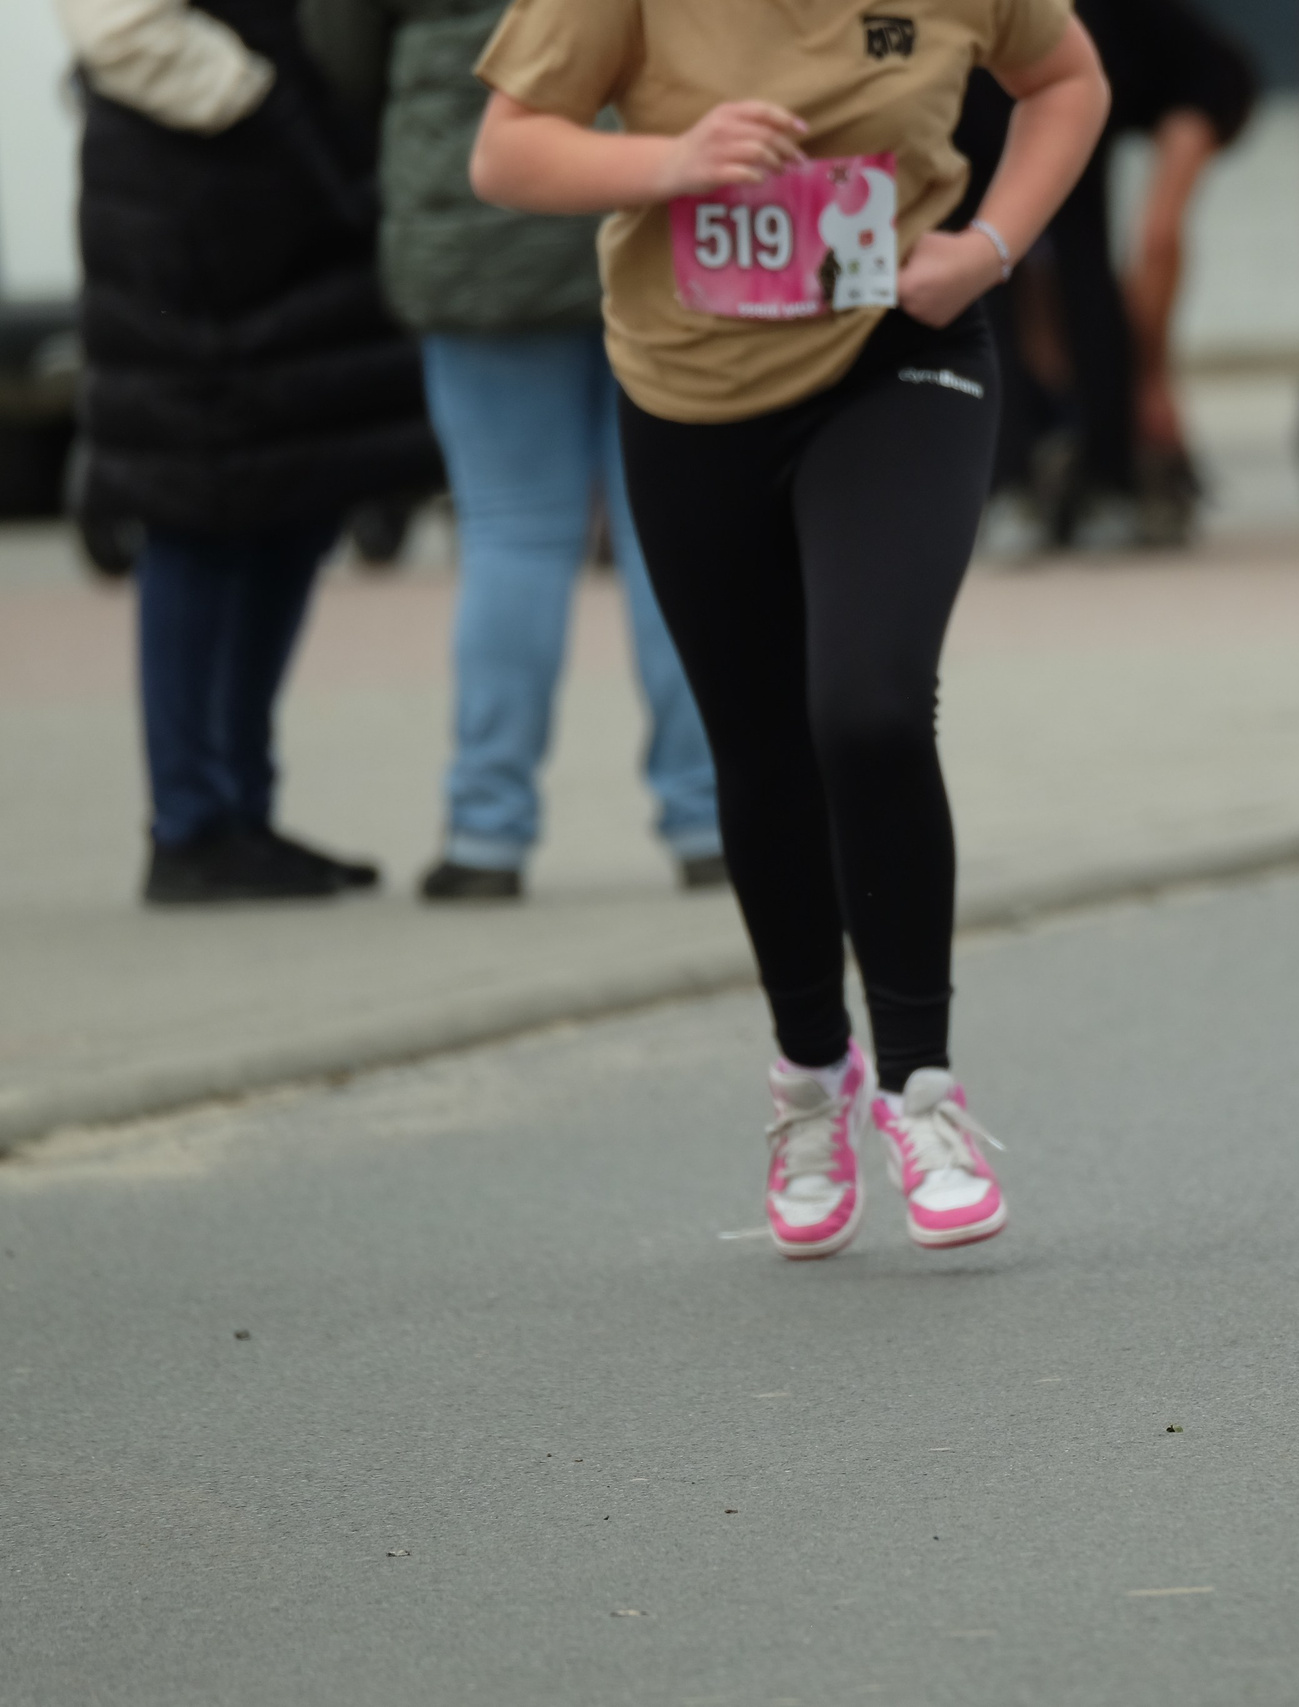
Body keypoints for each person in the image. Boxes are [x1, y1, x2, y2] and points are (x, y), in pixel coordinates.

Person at [466, 0, 1108, 1256]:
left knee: (865, 705)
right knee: (756, 752)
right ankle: (811, 1077)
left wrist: (988, 245)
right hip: (692, 389)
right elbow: (505, 149)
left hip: (899, 351)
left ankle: (922, 1089)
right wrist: (670, 162)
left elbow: (1069, 80)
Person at [299, 0, 725, 902]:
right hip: (648, 193)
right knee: (672, 536)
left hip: (475, 213)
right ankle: (709, 818)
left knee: (510, 534)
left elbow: (338, 49)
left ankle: (487, 832)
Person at [57, 0, 443, 904]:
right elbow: (118, 26)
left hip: (288, 180)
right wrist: (263, 102)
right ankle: (191, 822)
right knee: (196, 507)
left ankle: (243, 812)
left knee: (292, 498)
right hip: (192, 187)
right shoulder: (241, 109)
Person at [953, 0, 1256, 550]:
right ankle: (1035, 477)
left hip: (1063, 146)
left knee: (1063, 254)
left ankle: (1096, 474)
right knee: (993, 269)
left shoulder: (1111, 28)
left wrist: (1151, 373)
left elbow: (1215, 80)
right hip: (982, 145)